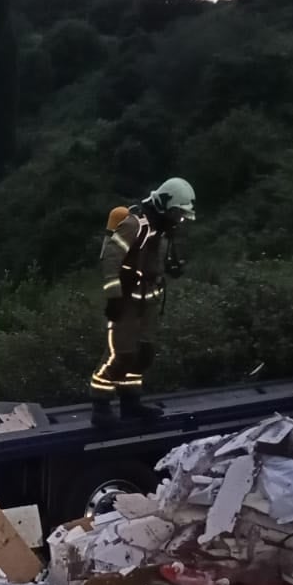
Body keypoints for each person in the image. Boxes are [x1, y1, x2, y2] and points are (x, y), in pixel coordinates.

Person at [89, 177, 196, 426]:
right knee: (121, 353)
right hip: (126, 300)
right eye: (177, 214)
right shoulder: (135, 224)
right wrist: (113, 297)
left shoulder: (160, 228)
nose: (179, 220)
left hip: (148, 301)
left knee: (144, 353)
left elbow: (152, 261)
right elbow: (111, 259)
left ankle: (131, 401)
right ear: (165, 205)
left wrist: (170, 268)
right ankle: (100, 405)